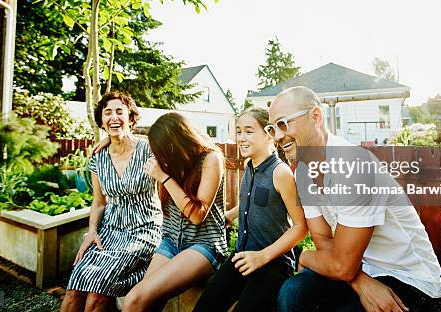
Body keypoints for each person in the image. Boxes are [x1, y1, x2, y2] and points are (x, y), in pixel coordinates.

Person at [270, 86, 441, 312]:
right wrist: (358, 279)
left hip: (409, 278)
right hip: (360, 268)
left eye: (283, 124)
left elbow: (340, 265)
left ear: (316, 116)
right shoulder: (303, 173)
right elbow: (322, 239)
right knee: (292, 293)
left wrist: (305, 255)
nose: (277, 136)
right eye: (271, 129)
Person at [193, 108, 308, 312]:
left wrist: (262, 256)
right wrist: (230, 215)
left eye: (249, 131)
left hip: (272, 264)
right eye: (239, 131)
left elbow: (300, 226)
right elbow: (255, 201)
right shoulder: (249, 166)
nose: (241, 138)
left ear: (269, 134)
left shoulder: (280, 173)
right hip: (242, 256)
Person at [61, 92, 163, 312]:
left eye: (120, 112)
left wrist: (119, 136)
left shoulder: (149, 150)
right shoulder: (99, 157)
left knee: (96, 295)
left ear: (131, 118)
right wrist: (91, 232)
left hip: (142, 232)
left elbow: (173, 140)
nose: (113, 117)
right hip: (110, 231)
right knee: (73, 289)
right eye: (108, 113)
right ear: (102, 120)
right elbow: (98, 202)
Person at [122, 112, 228, 312]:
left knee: (134, 300)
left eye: (162, 151)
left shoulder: (210, 159)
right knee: (141, 301)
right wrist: (106, 141)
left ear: (175, 143)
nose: (158, 157)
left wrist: (165, 178)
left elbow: (197, 216)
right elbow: (133, 141)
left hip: (204, 245)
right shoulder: (172, 161)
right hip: (171, 241)